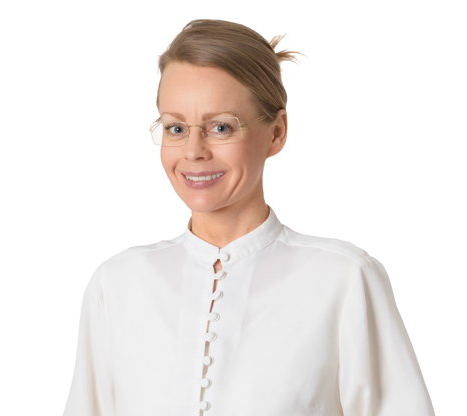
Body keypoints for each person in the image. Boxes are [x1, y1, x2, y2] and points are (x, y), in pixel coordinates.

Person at [63, 19, 435, 416]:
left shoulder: (343, 279)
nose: (193, 150)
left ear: (276, 133)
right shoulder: (118, 284)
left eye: (221, 127)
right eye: (176, 128)